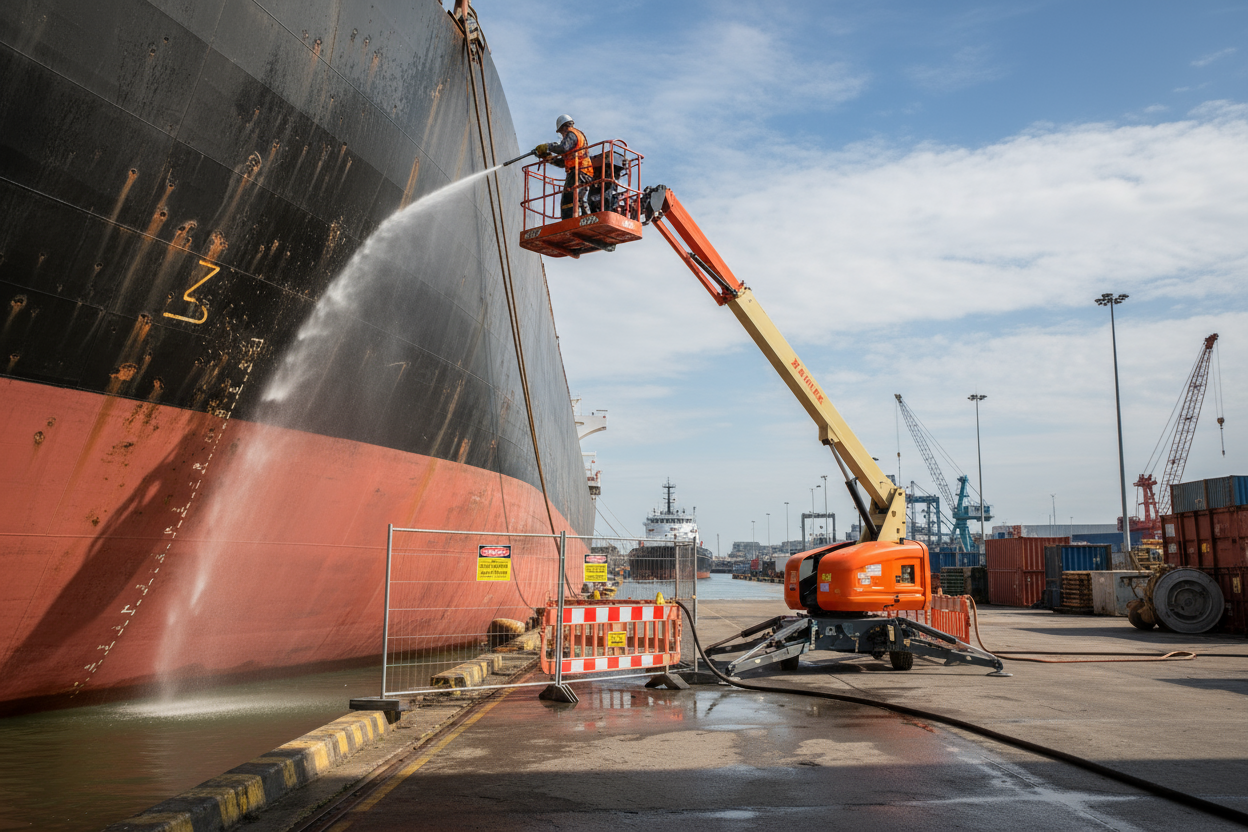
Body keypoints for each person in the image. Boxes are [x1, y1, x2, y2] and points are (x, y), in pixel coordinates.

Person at [535, 114, 593, 219]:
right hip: (583, 171)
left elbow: (563, 148)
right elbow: (563, 162)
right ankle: (587, 218)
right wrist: (549, 158)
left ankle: (571, 221)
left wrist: (548, 146)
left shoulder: (572, 134)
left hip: (579, 171)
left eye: (561, 132)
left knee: (569, 198)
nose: (562, 135)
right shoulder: (575, 137)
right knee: (580, 198)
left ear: (564, 127)